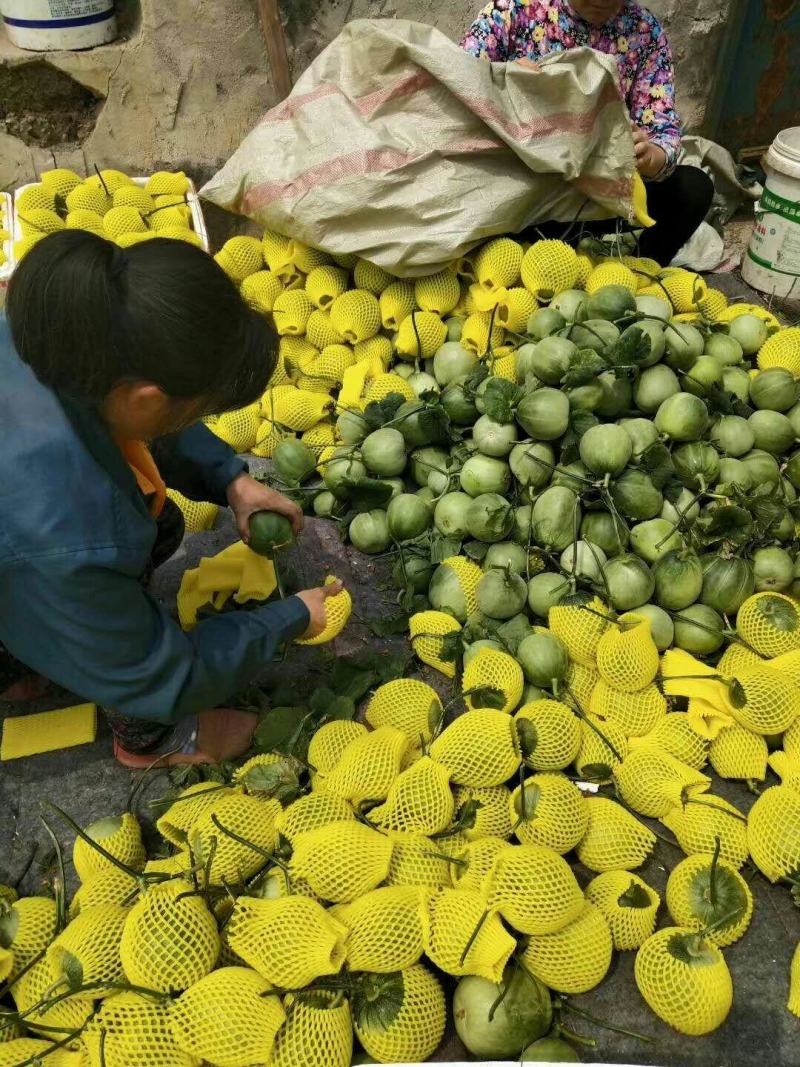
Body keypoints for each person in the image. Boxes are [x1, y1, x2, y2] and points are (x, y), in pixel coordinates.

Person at [0, 230, 342, 768]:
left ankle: (29, 651)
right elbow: (160, 673)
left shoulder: (51, 329)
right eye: (194, 410)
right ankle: (152, 740)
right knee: (127, 589)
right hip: (32, 548)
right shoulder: (70, 532)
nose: (192, 421)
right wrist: (289, 619)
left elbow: (143, 423)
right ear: (147, 398)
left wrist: (231, 479)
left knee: (156, 522)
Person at [461, 0, 715, 265]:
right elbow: (456, 80)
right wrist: (502, 78)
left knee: (693, 189)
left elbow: (663, 130)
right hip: (525, 198)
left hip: (598, 196)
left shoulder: (644, 31)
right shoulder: (512, 11)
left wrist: (651, 155)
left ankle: (640, 269)